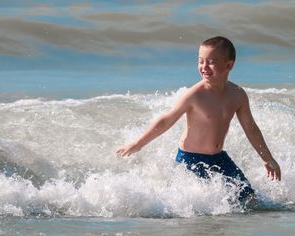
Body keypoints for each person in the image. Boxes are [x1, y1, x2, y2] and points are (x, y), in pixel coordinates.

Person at [116, 36, 281, 204]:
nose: (204, 67)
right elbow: (167, 120)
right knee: (197, 206)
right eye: (201, 61)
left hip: (219, 159)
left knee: (249, 199)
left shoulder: (237, 94)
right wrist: (137, 144)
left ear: (229, 65)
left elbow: (251, 128)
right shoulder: (194, 95)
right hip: (190, 160)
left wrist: (267, 158)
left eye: (211, 62)